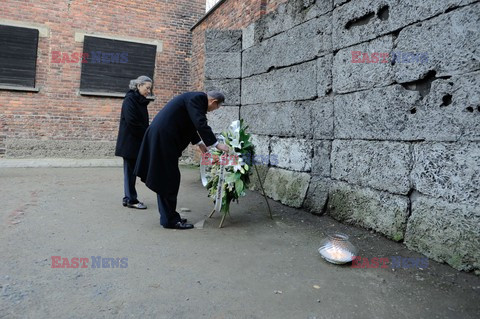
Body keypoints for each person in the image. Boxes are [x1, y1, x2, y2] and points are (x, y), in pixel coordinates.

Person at [134, 91, 229, 229]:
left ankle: (168, 217)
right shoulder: (197, 99)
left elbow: (189, 125)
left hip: (162, 138)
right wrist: (216, 144)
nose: (213, 111)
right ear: (213, 102)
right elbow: (199, 123)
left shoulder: (194, 99)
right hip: (163, 139)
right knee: (169, 178)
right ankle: (170, 220)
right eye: (216, 108)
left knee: (166, 178)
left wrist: (201, 144)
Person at [115, 75, 152, 209]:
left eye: (150, 89)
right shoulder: (130, 99)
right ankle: (131, 200)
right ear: (138, 86)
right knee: (130, 171)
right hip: (130, 143)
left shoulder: (138, 100)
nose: (149, 91)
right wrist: (147, 134)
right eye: (147, 88)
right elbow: (132, 122)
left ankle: (128, 197)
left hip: (134, 142)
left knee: (130, 171)